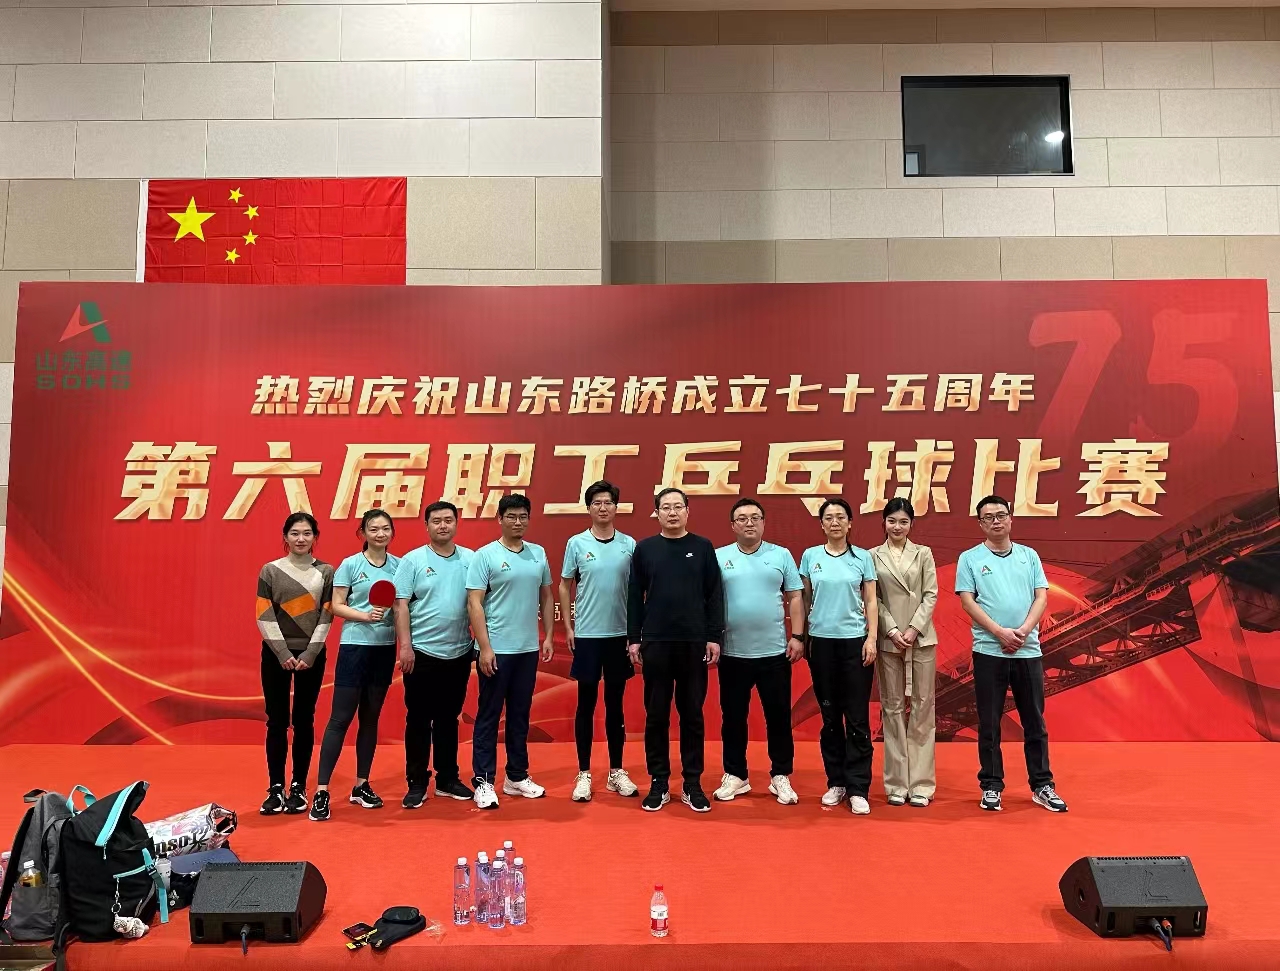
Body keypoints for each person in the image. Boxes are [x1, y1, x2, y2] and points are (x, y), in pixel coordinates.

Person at [956, 495, 1068, 814]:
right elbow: (967, 601)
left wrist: (1023, 631)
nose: (996, 521)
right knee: (989, 722)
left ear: (1010, 518)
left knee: (1034, 721)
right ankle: (991, 786)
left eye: (1001, 515)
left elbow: (1041, 597)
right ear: (980, 523)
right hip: (988, 651)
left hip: (1027, 651)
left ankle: (1042, 785)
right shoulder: (970, 558)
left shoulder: (1029, 556)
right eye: (988, 517)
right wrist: (1000, 633)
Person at [627, 487, 724, 814]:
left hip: (693, 643)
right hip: (656, 642)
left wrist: (713, 636)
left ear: (687, 511)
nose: (672, 512)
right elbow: (634, 596)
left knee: (692, 714)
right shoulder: (645, 549)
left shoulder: (702, 547)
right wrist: (634, 638)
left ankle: (692, 783)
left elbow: (714, 594)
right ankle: (658, 781)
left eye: (677, 507)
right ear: (657, 513)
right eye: (665, 507)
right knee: (656, 715)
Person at [309, 510, 400, 821]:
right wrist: (364, 616)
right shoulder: (350, 565)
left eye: (385, 528)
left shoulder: (400, 566)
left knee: (370, 719)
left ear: (392, 532)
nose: (380, 534)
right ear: (363, 533)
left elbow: (402, 607)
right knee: (340, 719)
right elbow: (335, 605)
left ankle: (361, 785)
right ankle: (322, 791)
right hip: (354, 648)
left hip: (384, 650)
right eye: (373, 529)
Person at [713, 498, 805, 806]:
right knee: (733, 717)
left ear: (764, 522)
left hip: (774, 653)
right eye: (742, 518)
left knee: (778, 717)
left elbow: (795, 596)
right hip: (733, 653)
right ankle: (735, 774)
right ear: (733, 525)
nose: (749, 523)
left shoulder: (780, 555)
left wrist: (798, 636)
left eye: (755, 517)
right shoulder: (719, 557)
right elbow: (708, 600)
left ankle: (781, 775)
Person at [466, 493, 555, 809]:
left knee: (520, 715)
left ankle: (516, 777)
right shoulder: (485, 556)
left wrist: (548, 636)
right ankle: (483, 781)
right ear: (500, 519)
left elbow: (546, 596)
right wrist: (485, 647)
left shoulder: (537, 553)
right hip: (496, 650)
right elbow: (474, 602)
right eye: (511, 516)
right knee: (489, 715)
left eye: (523, 516)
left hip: (527, 650)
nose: (518, 522)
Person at [559, 480, 640, 802]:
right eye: (597, 503)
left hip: (618, 636)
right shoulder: (576, 543)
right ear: (589, 508)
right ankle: (584, 773)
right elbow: (564, 584)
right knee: (586, 704)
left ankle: (616, 771)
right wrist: (569, 627)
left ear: (616, 507)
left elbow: (637, 590)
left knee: (615, 706)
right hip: (588, 636)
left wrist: (635, 633)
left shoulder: (628, 544)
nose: (603, 508)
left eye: (608, 502)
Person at [393, 500, 476, 808]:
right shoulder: (412, 560)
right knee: (418, 719)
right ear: (426, 525)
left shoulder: (471, 559)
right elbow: (400, 605)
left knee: (448, 719)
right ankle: (417, 782)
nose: (443, 525)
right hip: (422, 653)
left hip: (459, 652)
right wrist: (405, 647)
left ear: (456, 523)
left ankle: (447, 779)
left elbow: (479, 603)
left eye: (448, 520)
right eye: (437, 521)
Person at [799, 498, 879, 816]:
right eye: (829, 517)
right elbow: (805, 600)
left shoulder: (862, 557)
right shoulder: (810, 557)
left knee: (857, 718)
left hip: (854, 643)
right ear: (821, 524)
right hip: (821, 644)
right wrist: (802, 638)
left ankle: (858, 787)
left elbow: (871, 601)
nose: (835, 522)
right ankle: (836, 782)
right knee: (830, 718)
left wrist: (871, 638)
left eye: (841, 517)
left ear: (849, 523)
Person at [256, 512, 333, 816]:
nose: (301, 539)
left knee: (304, 720)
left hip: (311, 656)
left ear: (315, 537)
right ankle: (276, 788)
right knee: (276, 721)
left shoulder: (325, 572)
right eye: (295, 533)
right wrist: (282, 652)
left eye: (307, 533)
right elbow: (264, 614)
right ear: (285, 537)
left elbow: (327, 614)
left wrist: (310, 654)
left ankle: (298, 786)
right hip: (276, 655)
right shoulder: (270, 571)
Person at [871, 498, 938, 808]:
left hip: (921, 639)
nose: (897, 527)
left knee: (923, 709)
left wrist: (913, 628)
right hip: (889, 641)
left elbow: (930, 594)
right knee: (892, 709)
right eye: (892, 521)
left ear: (911, 524)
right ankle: (896, 784)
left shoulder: (924, 553)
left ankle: (922, 784)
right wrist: (892, 630)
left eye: (903, 521)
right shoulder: (872, 556)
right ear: (884, 522)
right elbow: (873, 599)